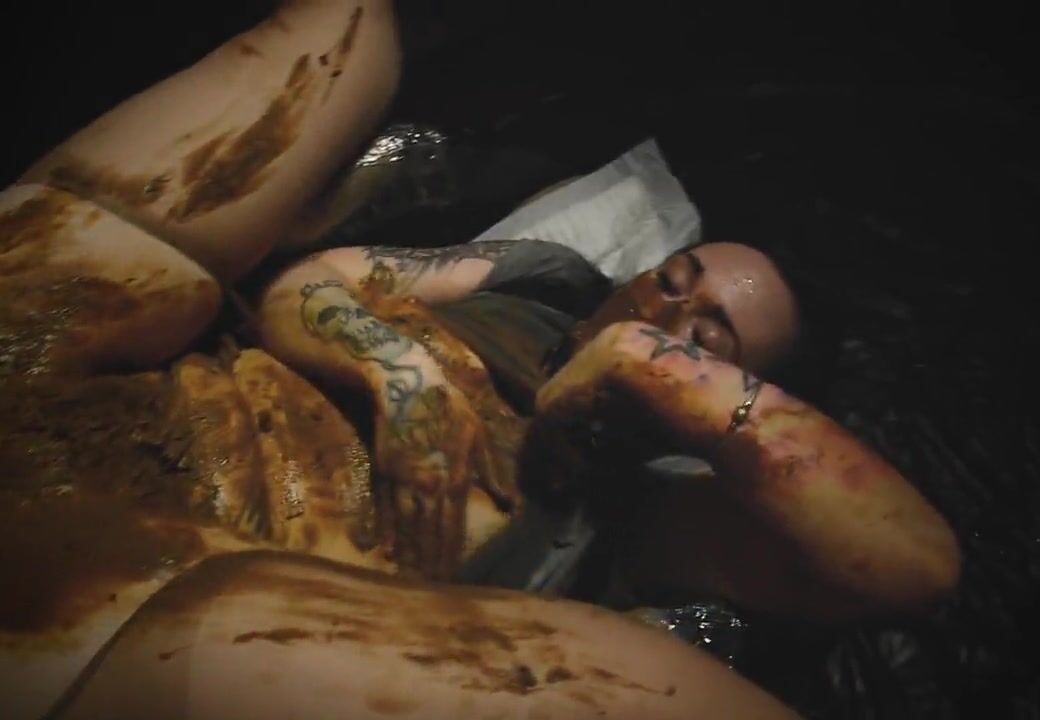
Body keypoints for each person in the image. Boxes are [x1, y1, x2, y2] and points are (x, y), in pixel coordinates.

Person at [0, 1, 958, 718]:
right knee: (349, 28)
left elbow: (907, 570)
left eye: (711, 337)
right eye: (676, 278)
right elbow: (308, 286)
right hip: (77, 397)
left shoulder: (637, 514)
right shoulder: (543, 280)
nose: (670, 313)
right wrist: (398, 371)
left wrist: (647, 367)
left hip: (149, 607)